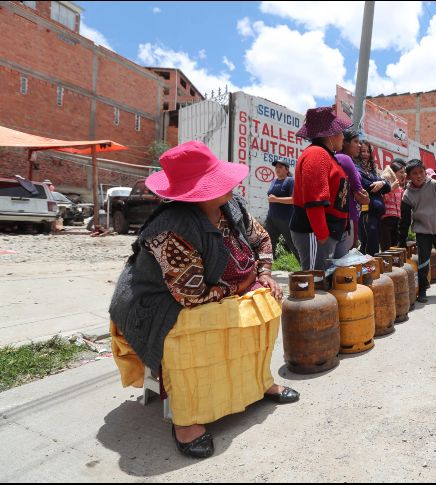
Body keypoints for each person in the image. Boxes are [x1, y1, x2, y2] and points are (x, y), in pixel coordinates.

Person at [108, 141, 298, 459]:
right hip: (161, 302)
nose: (228, 185)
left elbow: (262, 238)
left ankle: (258, 382)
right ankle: (187, 419)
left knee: (265, 303)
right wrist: (242, 286)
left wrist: (263, 274)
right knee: (196, 329)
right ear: (194, 192)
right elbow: (190, 296)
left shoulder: (231, 206)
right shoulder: (171, 230)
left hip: (223, 288)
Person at [290, 106, 352, 270]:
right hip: (314, 232)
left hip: (327, 233)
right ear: (330, 134)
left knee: (333, 284)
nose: (343, 136)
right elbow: (314, 200)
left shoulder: (326, 155)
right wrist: (323, 236)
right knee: (317, 285)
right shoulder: (316, 155)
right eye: (340, 131)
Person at [398, 159, 436, 303]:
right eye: (414, 173)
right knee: (423, 261)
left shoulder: (434, 185)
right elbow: (405, 221)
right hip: (422, 232)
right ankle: (423, 289)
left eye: (421, 172)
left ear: (425, 172)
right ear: (409, 176)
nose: (419, 176)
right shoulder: (407, 195)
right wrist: (401, 241)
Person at [334, 129, 370, 258]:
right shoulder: (345, 159)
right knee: (347, 256)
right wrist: (367, 200)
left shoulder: (338, 157)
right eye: (356, 142)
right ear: (345, 143)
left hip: (343, 214)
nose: (359, 146)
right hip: (349, 215)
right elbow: (360, 193)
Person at [356, 141, 391, 256]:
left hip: (376, 215)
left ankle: (373, 270)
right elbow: (368, 186)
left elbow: (388, 186)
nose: (365, 154)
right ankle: (368, 271)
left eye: (368, 151)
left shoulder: (371, 171)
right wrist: (381, 183)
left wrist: (382, 182)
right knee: (368, 247)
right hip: (366, 214)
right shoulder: (357, 169)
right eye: (362, 151)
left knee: (375, 247)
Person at [265, 160, 300, 261]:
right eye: (276, 167)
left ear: (287, 169)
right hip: (271, 218)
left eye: (280, 167)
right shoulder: (274, 181)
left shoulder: (290, 181)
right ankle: (265, 271)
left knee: (293, 245)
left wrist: (276, 199)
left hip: (285, 219)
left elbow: (294, 199)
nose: (277, 169)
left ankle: (306, 269)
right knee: (268, 245)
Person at [380, 159, 406, 251]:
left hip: (397, 220)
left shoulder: (401, 189)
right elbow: (383, 199)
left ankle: (394, 265)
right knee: (386, 248)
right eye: (401, 172)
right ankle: (386, 264)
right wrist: (391, 189)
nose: (403, 175)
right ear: (393, 173)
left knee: (395, 247)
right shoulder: (386, 185)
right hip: (386, 220)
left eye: (404, 172)